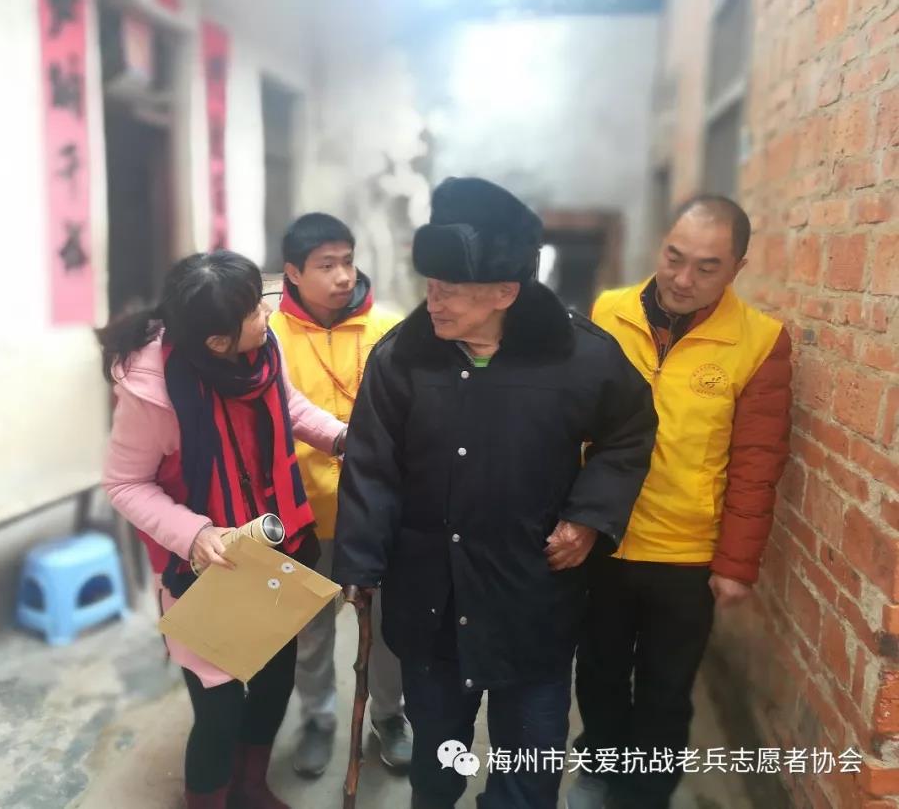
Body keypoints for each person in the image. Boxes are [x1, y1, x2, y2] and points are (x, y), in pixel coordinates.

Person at [331, 177, 659, 809]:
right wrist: (360, 565)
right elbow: (371, 465)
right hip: (431, 599)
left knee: (529, 772)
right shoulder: (401, 358)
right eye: (430, 286)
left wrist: (589, 517)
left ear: (505, 292)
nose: (432, 303)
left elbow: (629, 431)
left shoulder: (579, 356)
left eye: (450, 291)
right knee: (437, 766)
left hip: (531, 600)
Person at [98, 251, 347, 809]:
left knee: (275, 682)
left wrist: (338, 437)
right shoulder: (152, 390)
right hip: (205, 566)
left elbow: (286, 404)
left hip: (275, 548)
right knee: (219, 707)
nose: (267, 313)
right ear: (216, 341)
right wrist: (193, 533)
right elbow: (124, 482)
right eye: (254, 309)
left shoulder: (261, 352)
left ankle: (250, 787)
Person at [569, 195, 793, 809]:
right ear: (661, 246)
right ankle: (600, 763)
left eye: (706, 267)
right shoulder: (609, 312)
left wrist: (736, 564)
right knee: (599, 669)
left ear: (737, 268)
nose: (683, 278)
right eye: (674, 257)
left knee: (666, 689)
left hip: (687, 554)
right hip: (604, 537)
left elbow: (757, 461)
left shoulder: (759, 342)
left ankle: (647, 794)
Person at [268, 213, 411, 777]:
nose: (342, 276)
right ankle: (319, 718)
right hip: (303, 511)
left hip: (379, 511)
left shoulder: (391, 330)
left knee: (388, 629)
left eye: (347, 261)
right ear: (292, 273)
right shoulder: (270, 337)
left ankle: (390, 717)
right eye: (326, 265)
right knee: (310, 628)